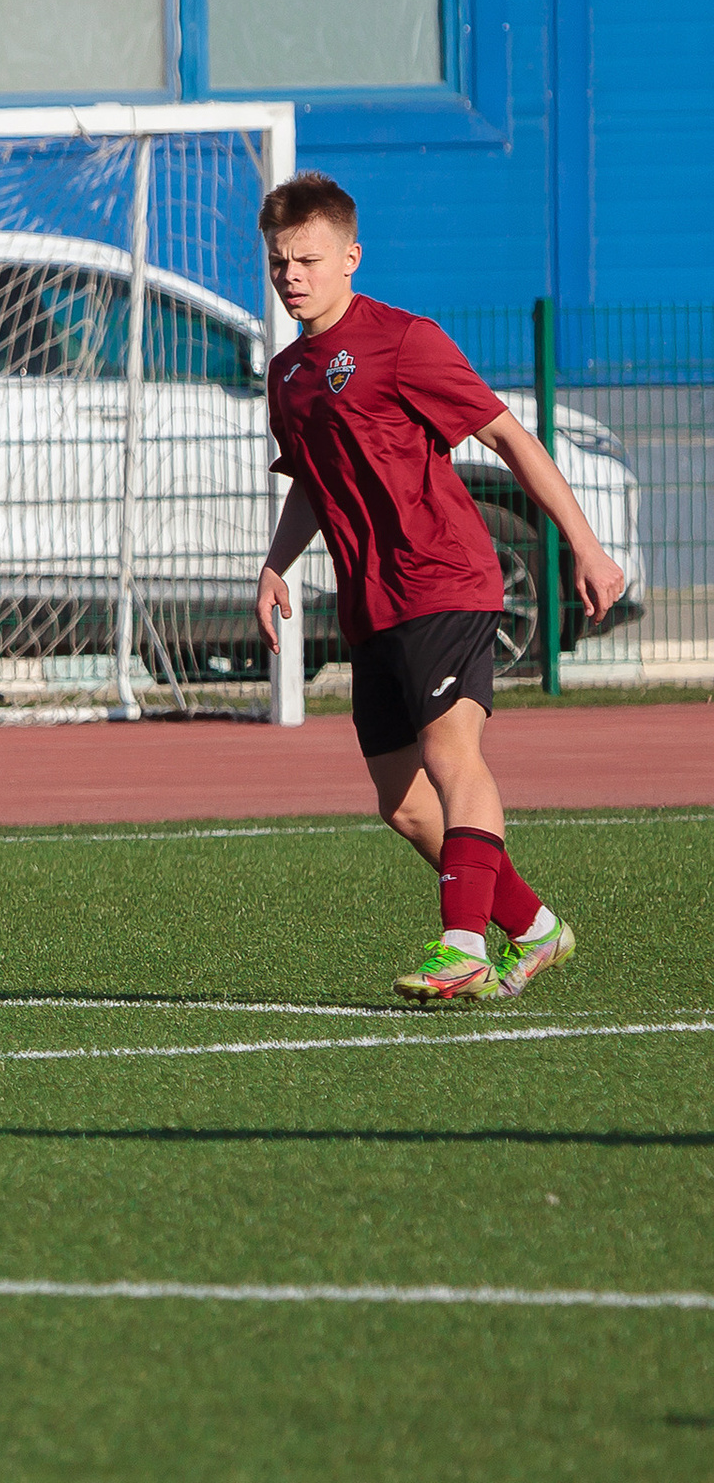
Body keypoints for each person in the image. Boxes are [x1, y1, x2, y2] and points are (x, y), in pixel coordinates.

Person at [254, 173, 625, 1002]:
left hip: (446, 578)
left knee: (450, 754)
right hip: (369, 601)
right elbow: (314, 481)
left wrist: (586, 548)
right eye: (280, 262)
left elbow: (507, 436)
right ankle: (533, 928)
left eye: (309, 260)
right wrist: (277, 563)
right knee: (403, 804)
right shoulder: (288, 376)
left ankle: (462, 942)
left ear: (351, 256)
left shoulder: (404, 340)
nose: (292, 277)